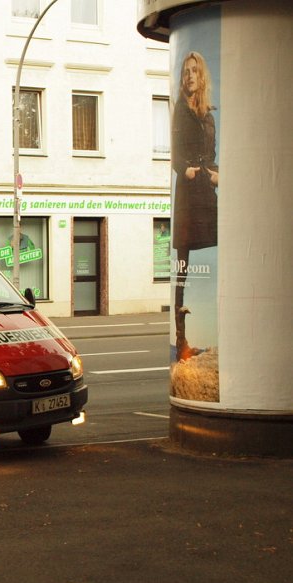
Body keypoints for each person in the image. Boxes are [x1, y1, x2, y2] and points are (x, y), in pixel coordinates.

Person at [171, 50, 218, 361]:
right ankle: (182, 342)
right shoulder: (179, 111)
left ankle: (221, 329)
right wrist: (184, 168)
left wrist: (217, 174)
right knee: (183, 268)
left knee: (220, 250)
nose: (189, 75)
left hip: (207, 187)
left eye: (194, 71)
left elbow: (211, 154)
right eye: (185, 71)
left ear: (202, 78)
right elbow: (174, 154)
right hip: (188, 191)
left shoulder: (208, 116)